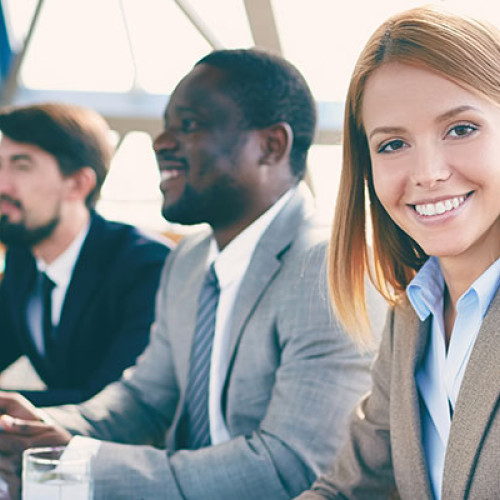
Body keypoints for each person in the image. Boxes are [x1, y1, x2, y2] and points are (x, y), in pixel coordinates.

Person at [0, 49, 377, 500]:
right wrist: (40, 428)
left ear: (271, 146)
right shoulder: (190, 259)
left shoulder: (326, 268)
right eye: (165, 125)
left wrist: (82, 464)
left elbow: (288, 468)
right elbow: (142, 398)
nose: (160, 142)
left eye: (189, 125)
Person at [295, 5, 500, 500]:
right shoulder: (413, 316)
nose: (428, 172)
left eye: (461, 129)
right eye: (392, 145)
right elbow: (348, 488)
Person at [0, 103, 171, 407]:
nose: (2, 183)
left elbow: (110, 402)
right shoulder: (23, 258)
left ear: (79, 184)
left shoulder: (147, 267)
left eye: (21, 166)